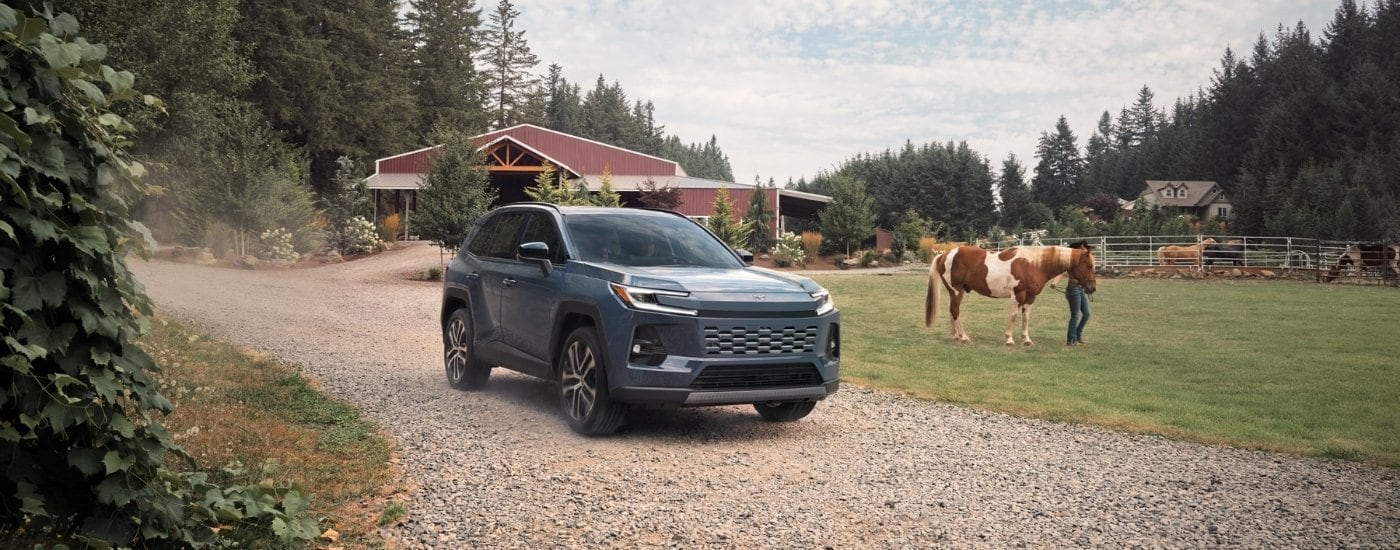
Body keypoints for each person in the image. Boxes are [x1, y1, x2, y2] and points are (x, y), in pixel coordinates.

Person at [1050, 241, 1091, 346]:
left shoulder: (1082, 260)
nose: (1084, 249)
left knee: (1086, 314)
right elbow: (1061, 272)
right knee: (1075, 315)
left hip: (1080, 289)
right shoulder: (1071, 261)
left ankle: (1077, 335)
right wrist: (1055, 282)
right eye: (1082, 248)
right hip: (1073, 289)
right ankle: (1071, 340)